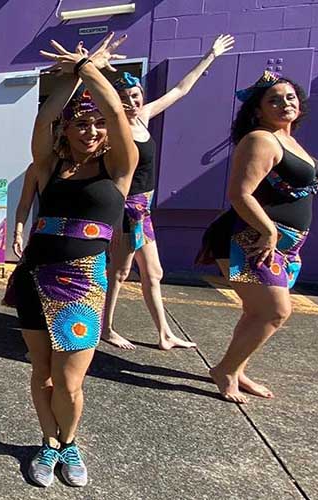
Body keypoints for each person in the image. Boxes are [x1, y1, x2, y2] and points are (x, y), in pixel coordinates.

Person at [5, 34, 135, 487]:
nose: (91, 131)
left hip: (81, 283)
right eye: (80, 124)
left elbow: (117, 112)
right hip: (33, 277)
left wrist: (88, 67)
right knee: (41, 373)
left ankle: (71, 443)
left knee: (71, 381)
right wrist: (67, 77)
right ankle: (48, 443)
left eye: (96, 125)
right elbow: (43, 120)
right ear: (68, 130)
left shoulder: (119, 168)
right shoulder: (49, 167)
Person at [197, 71, 318, 404]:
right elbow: (240, 194)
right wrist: (268, 230)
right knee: (275, 311)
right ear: (258, 110)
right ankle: (224, 369)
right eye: (274, 100)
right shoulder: (261, 139)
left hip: (285, 242)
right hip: (251, 238)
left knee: (257, 312)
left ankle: (237, 369)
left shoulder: (289, 140)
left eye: (290, 97)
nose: (285, 103)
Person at [102, 34, 235, 350]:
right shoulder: (112, 128)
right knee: (119, 272)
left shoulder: (144, 117)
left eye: (136, 96)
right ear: (116, 101)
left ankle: (164, 334)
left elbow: (180, 90)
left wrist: (210, 56)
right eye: (126, 97)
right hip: (124, 210)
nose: (133, 102)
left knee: (154, 272)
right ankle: (105, 328)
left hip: (143, 212)